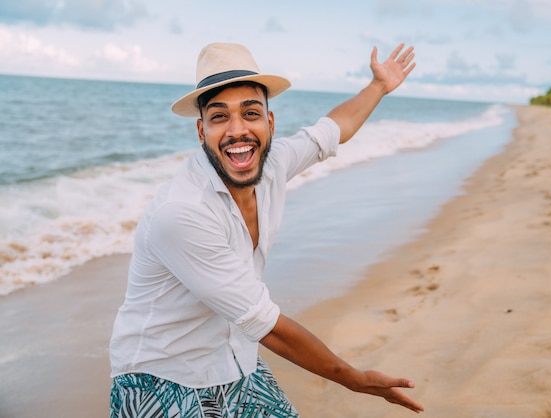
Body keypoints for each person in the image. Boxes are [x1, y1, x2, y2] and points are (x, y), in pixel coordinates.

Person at [109, 41, 423, 417]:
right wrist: (353, 378)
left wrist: (379, 86)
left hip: (234, 358)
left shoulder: (273, 165)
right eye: (220, 116)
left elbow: (334, 129)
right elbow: (266, 324)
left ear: (270, 123)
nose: (237, 130)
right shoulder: (182, 213)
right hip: (161, 379)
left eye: (251, 113)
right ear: (201, 130)